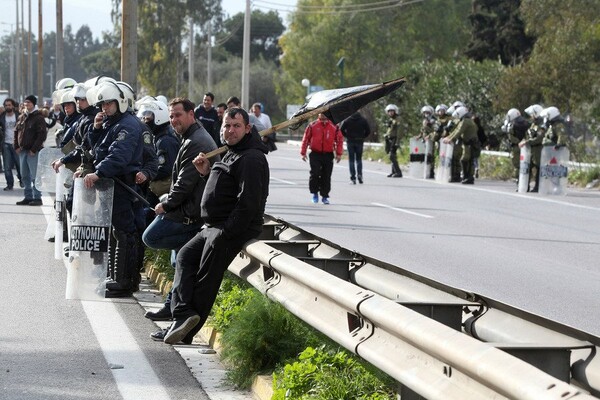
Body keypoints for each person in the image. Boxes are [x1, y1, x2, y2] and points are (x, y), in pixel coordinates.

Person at [163, 107, 269, 345]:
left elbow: (248, 203)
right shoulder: (231, 151)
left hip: (228, 229)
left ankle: (186, 331)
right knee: (184, 257)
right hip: (212, 226)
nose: (230, 131)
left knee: (205, 280)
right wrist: (205, 173)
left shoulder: (251, 158)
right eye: (227, 126)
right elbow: (224, 188)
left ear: (248, 129)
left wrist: (226, 233)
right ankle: (182, 315)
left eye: (236, 126)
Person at [142, 98, 219, 333]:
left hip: (189, 213)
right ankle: (170, 307)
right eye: (171, 116)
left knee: (151, 237)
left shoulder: (196, 141)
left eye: (178, 115)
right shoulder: (191, 137)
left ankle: (178, 312)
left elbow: (185, 182)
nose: (174, 120)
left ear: (191, 115)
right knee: (179, 261)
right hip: (187, 209)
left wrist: (167, 205)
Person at [81, 81, 144, 298]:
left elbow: (119, 156)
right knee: (118, 231)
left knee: (124, 232)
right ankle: (117, 276)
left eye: (108, 104)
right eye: (102, 105)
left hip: (121, 183)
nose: (104, 108)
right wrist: (96, 129)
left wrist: (97, 173)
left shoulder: (127, 125)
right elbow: (98, 149)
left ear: (120, 102)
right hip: (112, 184)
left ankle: (123, 281)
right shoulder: (113, 123)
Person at [300, 113, 343, 204]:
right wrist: (303, 152)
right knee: (315, 174)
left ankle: (324, 196)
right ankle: (314, 193)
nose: (323, 115)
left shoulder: (334, 126)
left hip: (328, 154)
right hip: (315, 154)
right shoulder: (313, 125)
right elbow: (306, 138)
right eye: (321, 112)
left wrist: (339, 154)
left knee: (326, 176)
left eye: (325, 113)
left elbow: (339, 140)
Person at [14, 95, 48, 206]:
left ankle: (37, 197)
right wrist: (16, 146)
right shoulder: (22, 117)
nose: (26, 104)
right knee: (24, 175)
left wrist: (34, 149)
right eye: (25, 102)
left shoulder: (38, 117)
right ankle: (28, 197)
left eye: (28, 102)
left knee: (34, 175)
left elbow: (42, 135)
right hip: (23, 150)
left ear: (33, 103)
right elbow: (16, 131)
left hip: (33, 151)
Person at [443, 106, 479, 184]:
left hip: (471, 144)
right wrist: (449, 137)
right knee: (467, 160)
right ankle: (466, 177)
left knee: (466, 160)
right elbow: (456, 131)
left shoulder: (466, 121)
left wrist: (450, 139)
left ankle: (469, 177)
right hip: (467, 144)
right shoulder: (464, 121)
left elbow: (459, 131)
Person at [339, 111, 370, 184]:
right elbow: (368, 131)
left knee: (351, 160)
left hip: (350, 141)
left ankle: (353, 177)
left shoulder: (347, 120)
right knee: (359, 160)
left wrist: (346, 136)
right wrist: (362, 137)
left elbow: (341, 130)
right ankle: (360, 175)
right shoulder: (363, 120)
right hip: (359, 141)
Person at [519, 104, 544, 192]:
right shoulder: (533, 124)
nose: (531, 116)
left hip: (538, 149)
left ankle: (537, 187)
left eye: (532, 115)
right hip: (531, 150)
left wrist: (527, 142)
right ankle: (525, 186)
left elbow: (539, 138)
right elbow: (528, 135)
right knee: (527, 167)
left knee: (538, 167)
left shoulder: (542, 126)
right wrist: (523, 140)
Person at [502, 108, 530, 186]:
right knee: (526, 164)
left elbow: (511, 136)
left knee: (517, 164)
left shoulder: (512, 124)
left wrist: (518, 142)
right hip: (526, 146)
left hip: (517, 147)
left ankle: (519, 180)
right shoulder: (526, 123)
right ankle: (525, 181)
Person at [1, 98, 23, 190]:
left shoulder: (18, 116)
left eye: (9, 105)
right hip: (6, 143)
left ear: (13, 106)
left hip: (17, 144)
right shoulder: (2, 117)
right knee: (7, 166)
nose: (7, 107)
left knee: (19, 164)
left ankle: (22, 180)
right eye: (6, 105)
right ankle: (9, 184)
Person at [415, 105, 438, 179]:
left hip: (431, 140)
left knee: (430, 156)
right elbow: (423, 130)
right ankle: (425, 171)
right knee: (425, 155)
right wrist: (419, 136)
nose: (426, 114)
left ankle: (431, 171)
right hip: (425, 140)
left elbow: (436, 131)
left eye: (428, 112)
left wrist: (429, 136)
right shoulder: (425, 120)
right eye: (425, 113)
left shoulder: (433, 121)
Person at [383, 104, 403, 177]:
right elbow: (389, 130)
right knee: (391, 155)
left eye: (392, 111)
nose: (391, 113)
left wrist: (397, 141)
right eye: (389, 111)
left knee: (392, 155)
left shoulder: (398, 119)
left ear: (395, 111)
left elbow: (400, 131)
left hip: (395, 139)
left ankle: (398, 172)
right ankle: (393, 171)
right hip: (389, 139)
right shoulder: (391, 120)